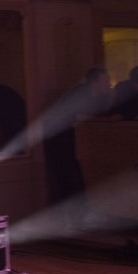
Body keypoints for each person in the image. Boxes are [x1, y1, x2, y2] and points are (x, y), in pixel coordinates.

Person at [42, 67, 112, 212]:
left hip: (73, 140)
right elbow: (74, 116)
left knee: (75, 176)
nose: (109, 84)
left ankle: (78, 213)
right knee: (63, 177)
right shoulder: (80, 93)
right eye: (105, 81)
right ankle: (65, 216)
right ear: (94, 83)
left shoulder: (100, 98)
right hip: (58, 139)